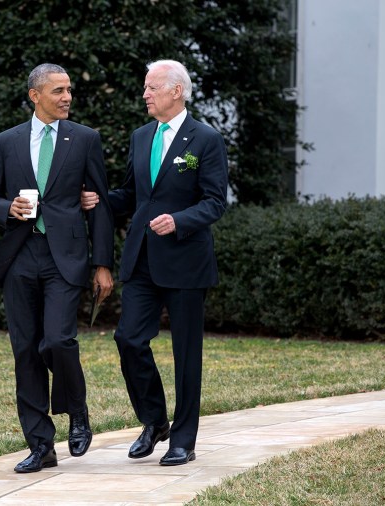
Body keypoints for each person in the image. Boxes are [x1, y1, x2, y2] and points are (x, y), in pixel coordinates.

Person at [81, 59, 227, 466]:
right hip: (142, 260)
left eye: (151, 87)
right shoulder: (141, 136)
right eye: (145, 88)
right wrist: (101, 199)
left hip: (185, 263)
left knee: (186, 355)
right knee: (128, 339)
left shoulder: (206, 139)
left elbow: (215, 202)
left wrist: (179, 221)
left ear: (176, 91)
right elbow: (133, 195)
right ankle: (154, 421)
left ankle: (183, 439)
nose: (145, 94)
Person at [0, 63, 114, 473]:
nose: (67, 97)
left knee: (56, 341)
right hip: (20, 257)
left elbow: (101, 206)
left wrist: (103, 263)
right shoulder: (7, 141)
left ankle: (77, 411)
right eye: (58, 91)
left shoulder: (85, 139)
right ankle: (41, 445)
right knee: (25, 352)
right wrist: (8, 208)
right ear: (35, 95)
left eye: (69, 90)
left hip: (65, 258)